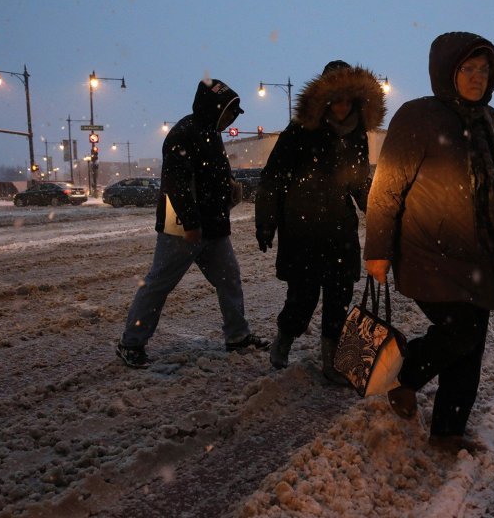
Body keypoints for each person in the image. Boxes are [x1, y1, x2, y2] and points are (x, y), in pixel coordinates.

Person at [364, 32, 494, 453]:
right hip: (428, 253)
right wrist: (377, 250)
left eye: (483, 70)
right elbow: (387, 188)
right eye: (467, 69)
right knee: (461, 333)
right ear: (447, 73)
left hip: (481, 255)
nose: (476, 78)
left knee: (472, 344)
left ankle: (448, 431)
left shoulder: (490, 119)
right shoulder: (418, 117)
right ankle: (406, 378)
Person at [117, 77, 270, 368]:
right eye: (230, 113)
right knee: (158, 284)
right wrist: (190, 222)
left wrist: (228, 187)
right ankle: (130, 343)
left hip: (213, 225)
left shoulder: (210, 132)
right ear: (214, 107)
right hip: (183, 228)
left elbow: (208, 177)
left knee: (229, 279)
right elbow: (177, 184)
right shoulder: (183, 134)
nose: (231, 119)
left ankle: (237, 336)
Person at [255, 60, 386, 383]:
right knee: (302, 298)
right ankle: (284, 339)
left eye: (347, 99)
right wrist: (266, 222)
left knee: (339, 297)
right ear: (324, 99)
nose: (341, 106)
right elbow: (272, 178)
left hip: (339, 229)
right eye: (336, 99)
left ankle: (332, 362)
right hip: (302, 230)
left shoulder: (356, 134)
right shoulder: (300, 130)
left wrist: (381, 215)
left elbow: (358, 182)